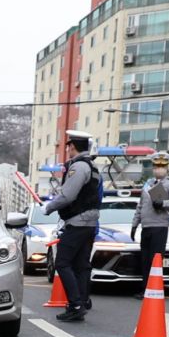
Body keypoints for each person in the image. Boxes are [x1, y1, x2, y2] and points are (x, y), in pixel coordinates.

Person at [42, 129, 101, 321]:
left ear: (72, 146)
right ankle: (81, 303)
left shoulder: (79, 167)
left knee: (62, 262)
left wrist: (48, 207)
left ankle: (75, 304)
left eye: (68, 146)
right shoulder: (92, 166)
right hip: (89, 222)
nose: (67, 150)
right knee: (81, 265)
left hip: (78, 221)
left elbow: (68, 195)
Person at [129, 151, 169, 298]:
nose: (159, 169)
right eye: (156, 166)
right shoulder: (148, 184)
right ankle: (145, 288)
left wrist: (163, 203)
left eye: (162, 166)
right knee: (145, 260)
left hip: (160, 226)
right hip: (146, 226)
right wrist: (134, 224)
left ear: (167, 167)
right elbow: (140, 206)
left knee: (156, 260)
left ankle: (154, 289)